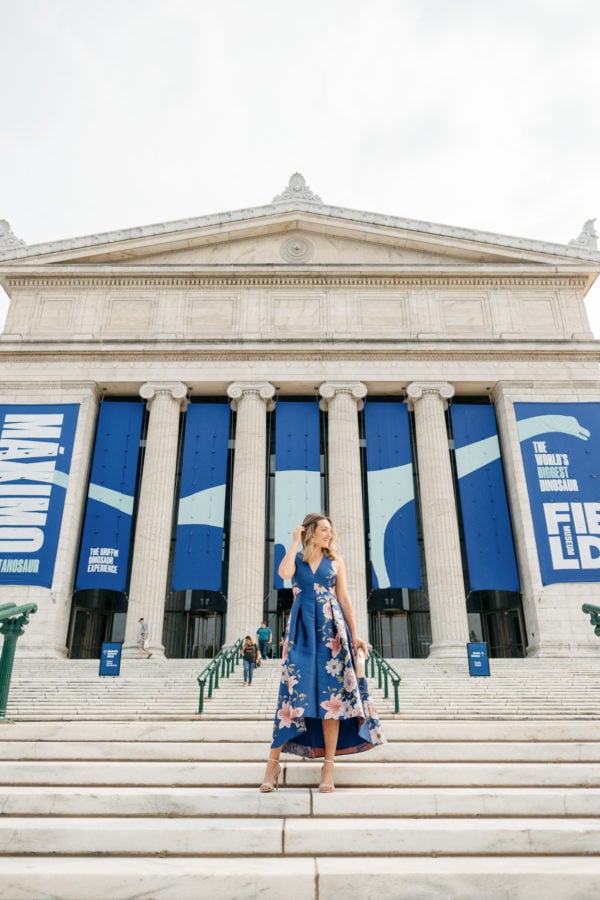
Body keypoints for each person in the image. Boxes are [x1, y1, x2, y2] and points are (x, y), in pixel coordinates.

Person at [259, 513, 386, 795]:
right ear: (311, 531)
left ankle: (328, 767)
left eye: (330, 530)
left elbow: (343, 598)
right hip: (301, 631)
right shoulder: (299, 559)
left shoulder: (336, 561)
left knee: (332, 699)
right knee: (291, 697)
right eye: (324, 529)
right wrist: (293, 542)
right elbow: (283, 574)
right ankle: (272, 763)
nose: (329, 534)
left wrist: (354, 635)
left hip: (331, 632)